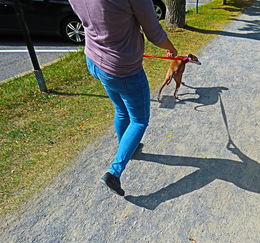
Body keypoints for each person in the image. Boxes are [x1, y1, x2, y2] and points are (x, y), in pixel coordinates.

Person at [68, 0, 178, 196]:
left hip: (94, 59)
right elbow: (154, 33)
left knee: (121, 109)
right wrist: (171, 48)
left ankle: (127, 148)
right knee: (139, 120)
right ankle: (114, 173)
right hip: (122, 68)